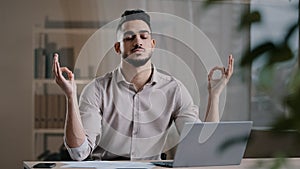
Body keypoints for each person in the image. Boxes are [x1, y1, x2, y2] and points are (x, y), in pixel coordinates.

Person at [52, 9, 234, 161]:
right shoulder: (96, 90)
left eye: (143, 36)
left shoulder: (174, 90)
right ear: (117, 48)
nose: (137, 41)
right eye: (129, 37)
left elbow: (202, 147)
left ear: (152, 44)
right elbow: (79, 153)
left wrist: (215, 96)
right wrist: (70, 96)